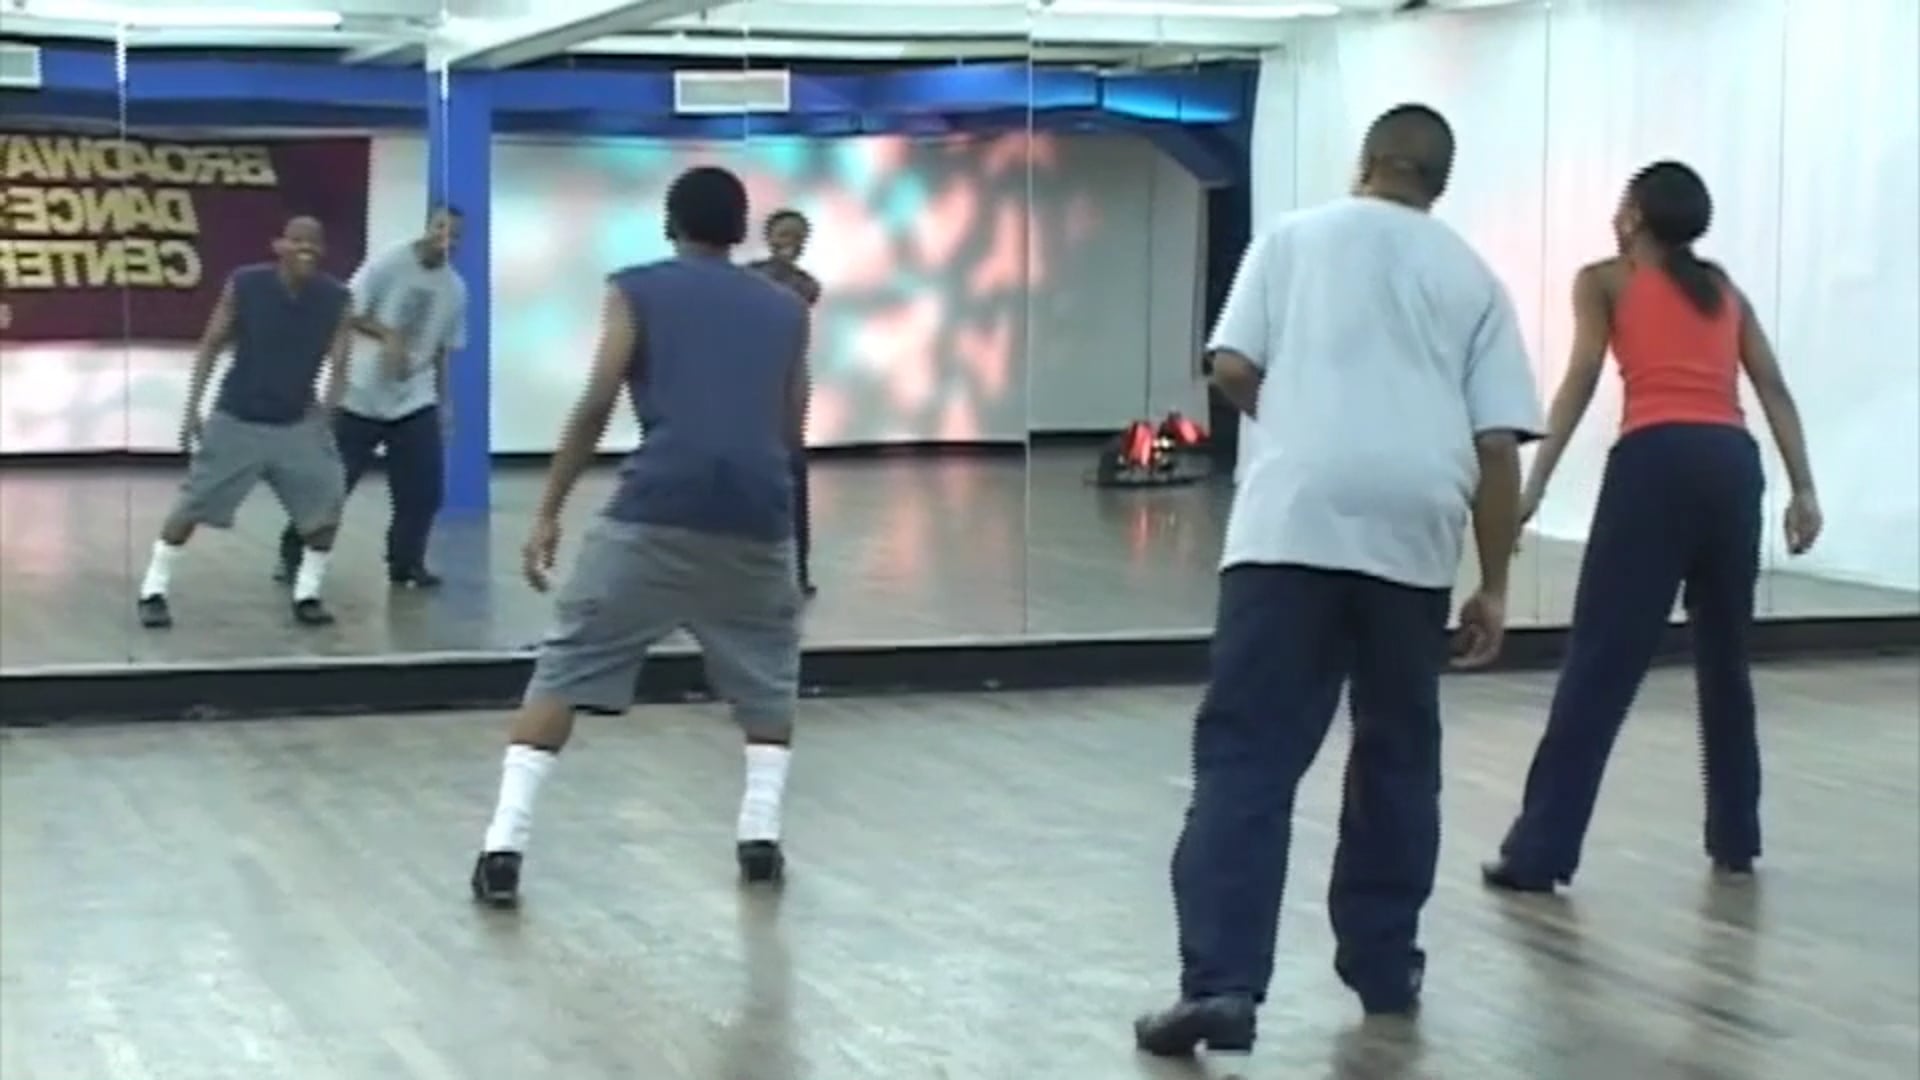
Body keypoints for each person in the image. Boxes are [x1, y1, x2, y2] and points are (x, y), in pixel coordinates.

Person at [1132, 103, 1544, 1059]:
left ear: (1366, 161)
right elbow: (1497, 448)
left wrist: (1301, 422)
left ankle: (1222, 984)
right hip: (1414, 534)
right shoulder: (1473, 277)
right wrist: (1493, 585)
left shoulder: (1292, 238)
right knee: (1397, 754)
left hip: (1291, 528)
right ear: (1439, 182)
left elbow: (1232, 365)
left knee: (1248, 757)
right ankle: (1385, 966)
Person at [469, 166, 810, 906]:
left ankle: (503, 848)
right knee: (768, 676)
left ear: (670, 223)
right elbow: (790, 429)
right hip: (756, 517)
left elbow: (598, 401)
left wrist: (548, 509)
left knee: (565, 668)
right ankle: (759, 838)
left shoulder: (635, 289)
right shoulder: (788, 309)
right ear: (741, 229)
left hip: (655, 509)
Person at [1483, 161, 1822, 893]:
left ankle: (1540, 852)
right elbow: (1771, 387)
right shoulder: (1722, 289)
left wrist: (1534, 482)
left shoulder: (1604, 281)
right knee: (1725, 661)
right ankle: (1736, 839)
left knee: (1601, 662)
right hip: (1732, 466)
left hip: (1655, 465)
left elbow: (1579, 381)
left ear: (1634, 216)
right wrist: (1803, 489)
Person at [136, 216, 353, 630]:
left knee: (327, 504)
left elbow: (341, 365)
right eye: (298, 241)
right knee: (192, 506)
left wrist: (326, 416)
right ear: (279, 245)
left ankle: (307, 593)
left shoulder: (336, 298)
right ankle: (153, 590)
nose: (306, 248)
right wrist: (192, 408)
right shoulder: (246, 284)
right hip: (238, 417)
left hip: (296, 423)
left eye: (314, 243)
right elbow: (211, 344)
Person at [273, 205, 468, 589]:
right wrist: (388, 335)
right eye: (440, 228)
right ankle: (293, 553)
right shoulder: (388, 264)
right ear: (428, 227)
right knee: (332, 486)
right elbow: (347, 311)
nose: (445, 239)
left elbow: (443, 349)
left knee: (423, 490)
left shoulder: (455, 289)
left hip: (414, 398)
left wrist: (445, 402)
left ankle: (405, 563)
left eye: (455, 235)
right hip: (361, 395)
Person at [746, 209, 820, 597]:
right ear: (769, 236)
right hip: (749, 387)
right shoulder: (746, 277)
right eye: (783, 234)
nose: (789, 242)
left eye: (796, 235)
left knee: (792, 483)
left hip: (787, 390)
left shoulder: (806, 285)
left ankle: (798, 572)